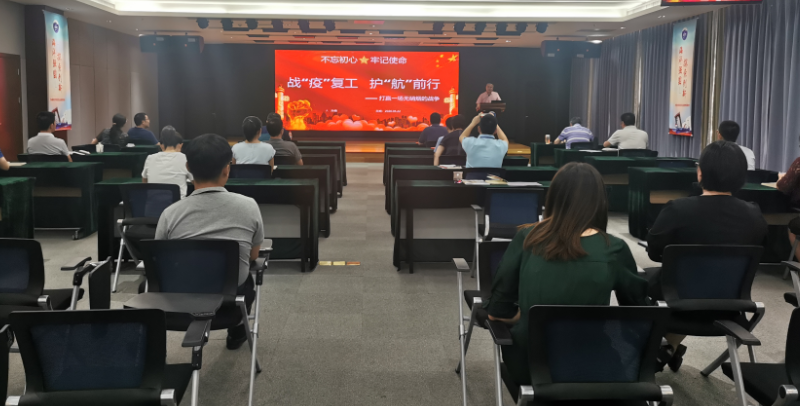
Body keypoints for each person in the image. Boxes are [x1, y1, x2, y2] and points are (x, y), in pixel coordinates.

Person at [486, 162, 648, 386]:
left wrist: (526, 317)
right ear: (600, 201)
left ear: (553, 197)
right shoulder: (614, 248)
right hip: (596, 367)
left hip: (532, 368)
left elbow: (496, 313)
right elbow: (639, 315)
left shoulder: (528, 238)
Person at [646, 140, 768, 370]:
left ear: (700, 172)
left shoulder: (678, 209)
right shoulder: (754, 214)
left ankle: (658, 349)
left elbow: (654, 252)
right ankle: (668, 348)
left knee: (637, 281)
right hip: (730, 306)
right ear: (742, 176)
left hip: (676, 302)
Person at [155, 133, 264, 350]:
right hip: (229, 304)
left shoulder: (170, 213)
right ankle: (237, 334)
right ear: (227, 169)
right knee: (248, 278)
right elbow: (253, 255)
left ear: (188, 167)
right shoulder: (249, 206)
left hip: (177, 301)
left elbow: (160, 259)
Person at [141, 126, 193, 198]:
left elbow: (144, 181)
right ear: (180, 145)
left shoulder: (150, 158)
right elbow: (196, 181)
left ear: (161, 145)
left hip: (153, 203)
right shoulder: (184, 158)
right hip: (178, 204)